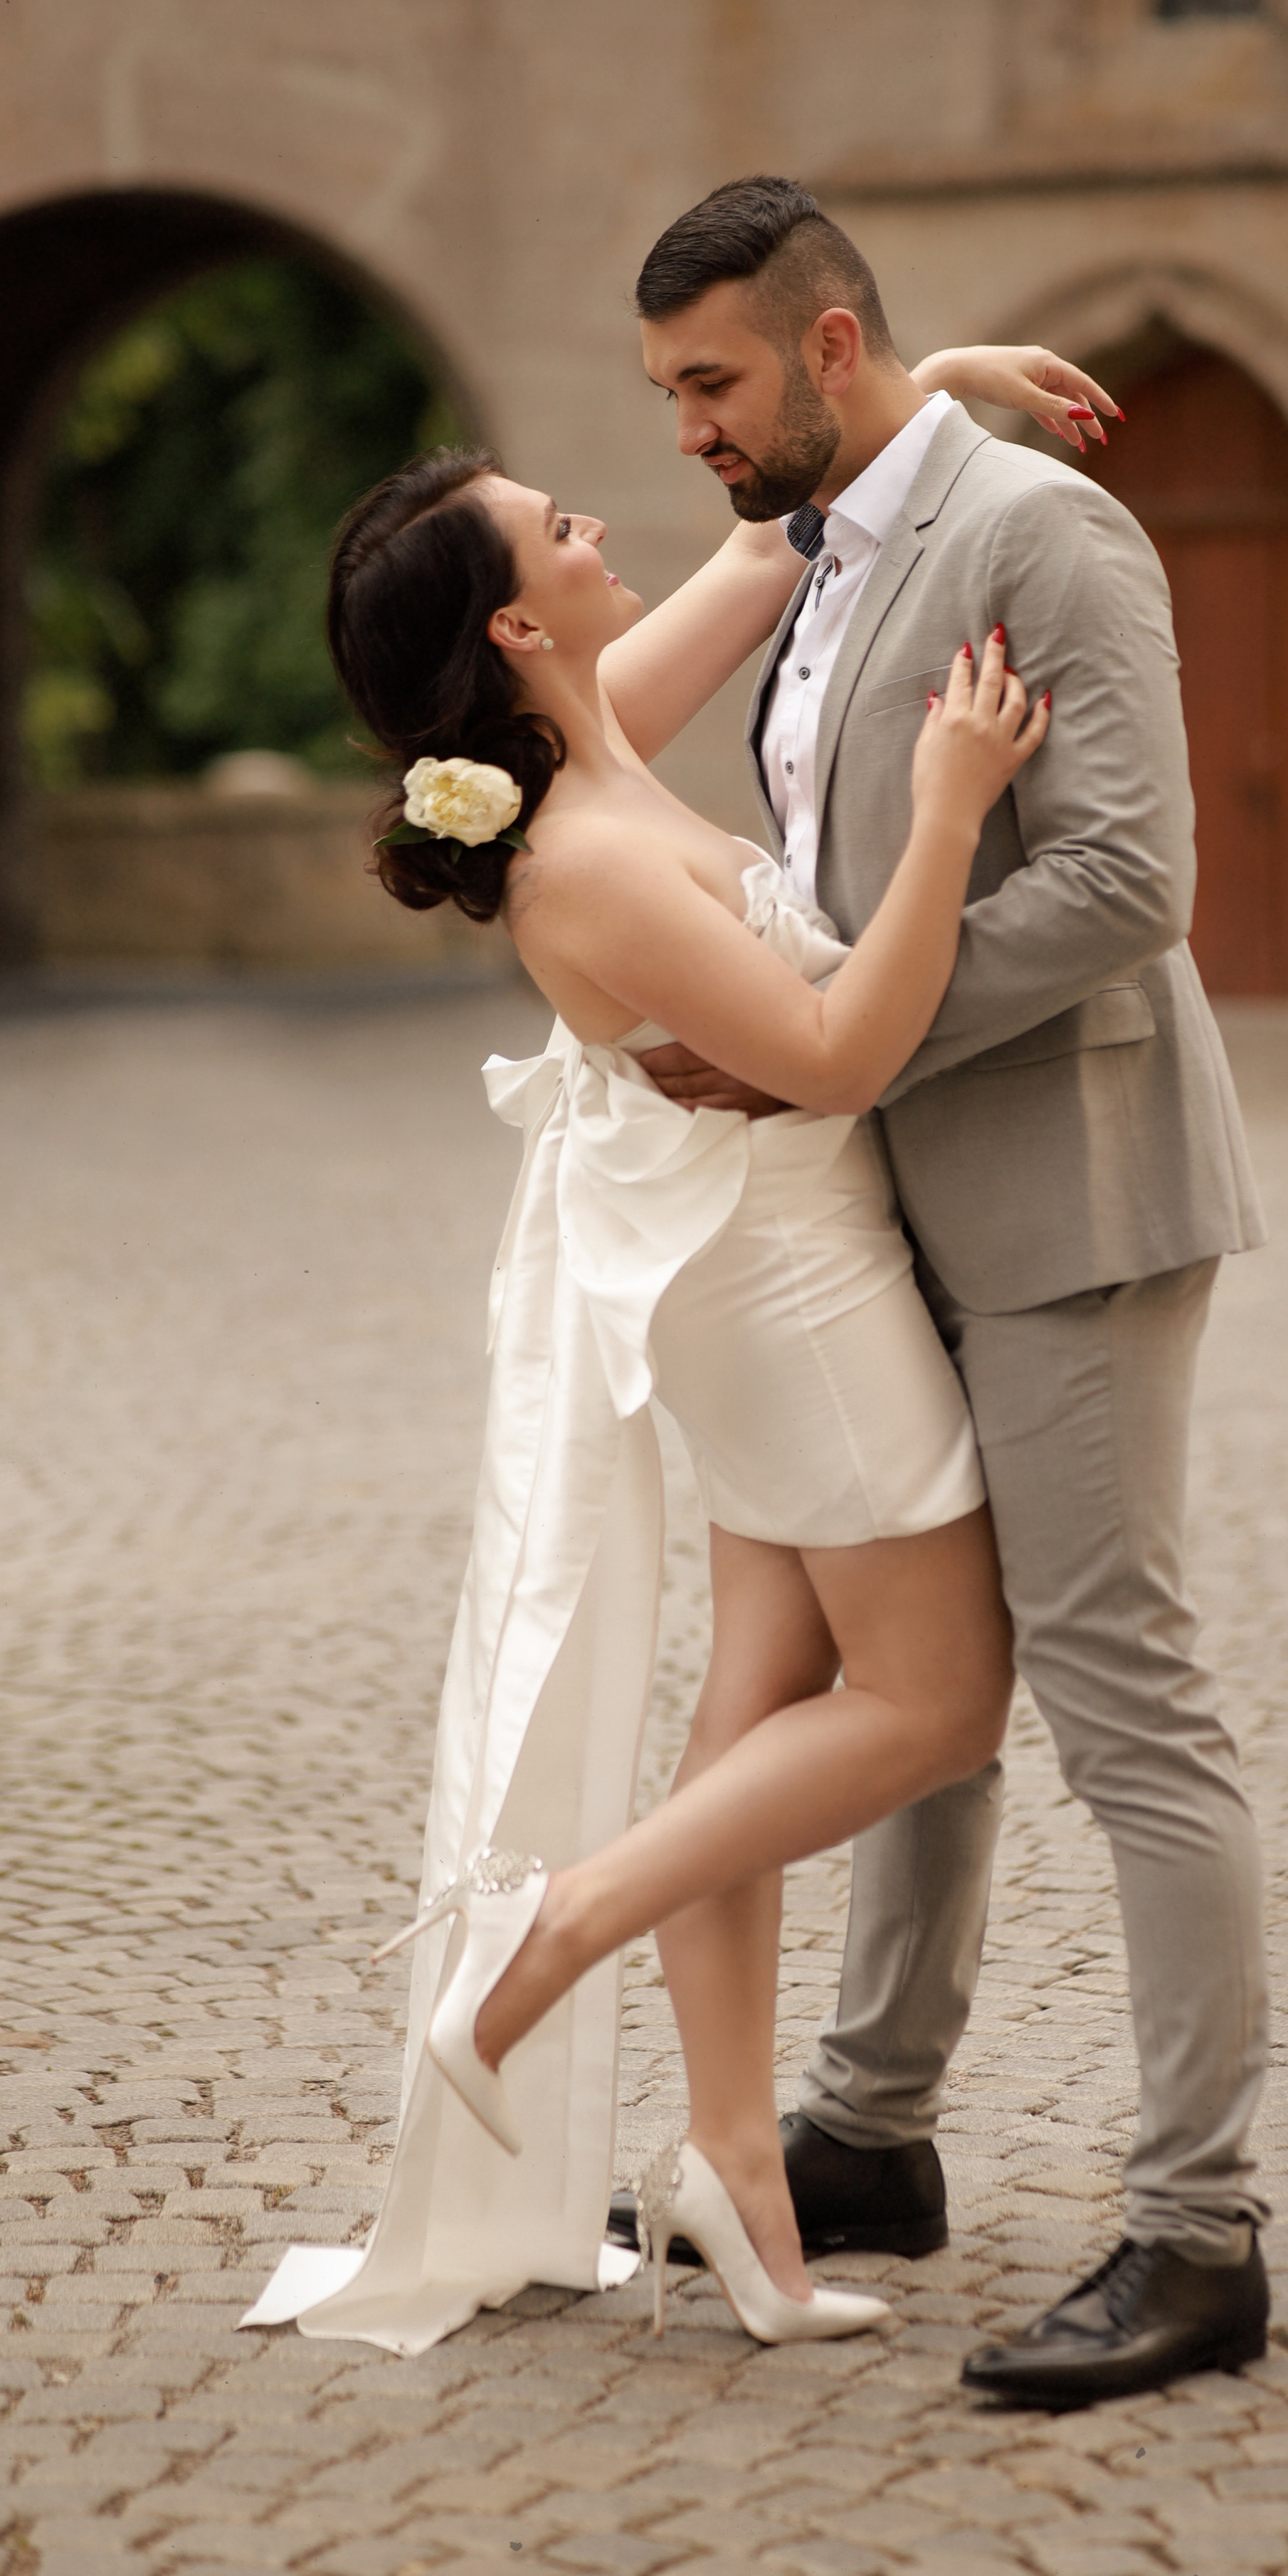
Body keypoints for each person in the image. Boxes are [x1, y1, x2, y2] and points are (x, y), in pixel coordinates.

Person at [243, 334, 1110, 2360]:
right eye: (556, 523)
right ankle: (559, 1932)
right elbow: (836, 1052)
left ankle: (735, 2164)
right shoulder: (589, 857)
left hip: (747, 1270)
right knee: (936, 1701)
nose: (596, 519)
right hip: (793, 1293)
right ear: (519, 621)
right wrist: (947, 811)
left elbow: (764, 543)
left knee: (762, 1705)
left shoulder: (588, 743)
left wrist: (921, 386)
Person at [601, 177, 1273, 2411]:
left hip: (1074, 1196)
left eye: (710, 382)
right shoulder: (829, 541)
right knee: (926, 1689)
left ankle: (1201, 2235)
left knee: (1122, 1700)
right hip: (893, 1215)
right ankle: (873, 2135)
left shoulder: (1041, 535)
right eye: (665, 391)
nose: (686, 430)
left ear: (825, 345)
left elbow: (1132, 876)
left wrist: (841, 1044)